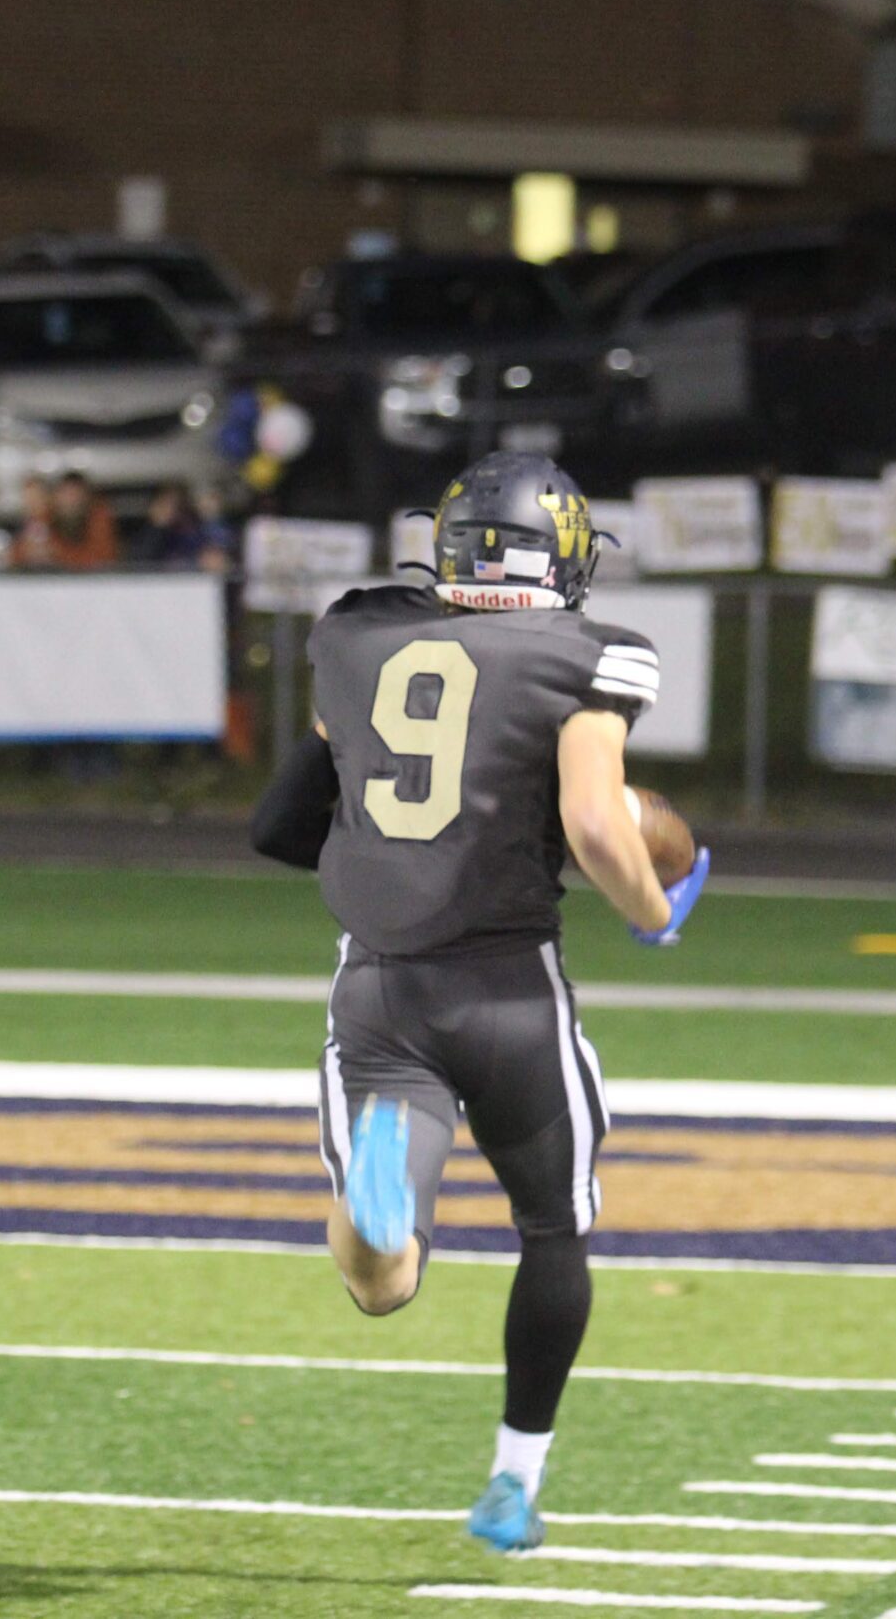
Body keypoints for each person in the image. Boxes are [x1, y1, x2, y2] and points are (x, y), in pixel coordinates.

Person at [247, 452, 712, 1554]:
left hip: (382, 988)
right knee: (555, 1227)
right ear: (566, 556)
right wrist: (656, 909)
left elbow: (282, 822)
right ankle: (513, 1481)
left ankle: (381, 1209)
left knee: (383, 1283)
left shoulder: (357, 632)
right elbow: (596, 822)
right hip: (510, 993)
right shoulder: (589, 653)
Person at [129, 482, 236, 573]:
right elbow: (140, 562)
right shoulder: (148, 534)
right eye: (165, 504)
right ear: (153, 507)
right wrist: (157, 526)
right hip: (167, 585)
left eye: (176, 504)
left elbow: (220, 547)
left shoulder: (194, 526)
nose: (170, 509)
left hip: (203, 583)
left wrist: (212, 516)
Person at [49, 472, 121, 570]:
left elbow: (102, 558)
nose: (71, 502)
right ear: (56, 497)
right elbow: (29, 555)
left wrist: (57, 554)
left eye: (75, 495)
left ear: (86, 498)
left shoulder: (99, 518)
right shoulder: (45, 518)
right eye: (66, 495)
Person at [7, 477, 62, 569]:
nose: (31, 503)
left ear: (47, 497)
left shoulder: (59, 523)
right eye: (28, 498)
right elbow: (14, 556)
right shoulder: (24, 525)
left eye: (35, 497)